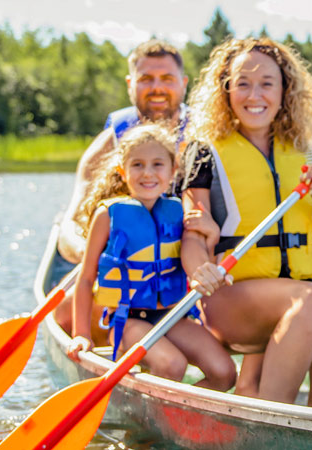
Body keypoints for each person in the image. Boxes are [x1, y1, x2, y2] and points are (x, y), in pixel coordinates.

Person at [178, 37, 312, 406]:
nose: (254, 94)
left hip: (294, 295)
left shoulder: (308, 154)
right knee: (309, 297)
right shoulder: (206, 152)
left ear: (284, 90)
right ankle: (275, 419)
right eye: (242, 83)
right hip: (229, 298)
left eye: (266, 83)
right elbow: (194, 231)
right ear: (226, 89)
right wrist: (201, 270)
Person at [66, 123, 235, 391]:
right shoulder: (107, 215)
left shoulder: (178, 212)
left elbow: (200, 266)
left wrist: (212, 237)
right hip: (128, 319)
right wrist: (81, 335)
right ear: (122, 172)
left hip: (172, 315)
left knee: (224, 373)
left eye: (157, 164)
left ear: (173, 171)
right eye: (137, 165)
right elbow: (86, 279)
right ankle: (155, 425)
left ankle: (181, 419)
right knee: (172, 365)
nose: (147, 173)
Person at [54, 39, 192, 340]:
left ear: (183, 84)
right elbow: (70, 227)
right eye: (146, 79)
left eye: (167, 79)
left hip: (181, 278)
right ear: (131, 85)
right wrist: (95, 254)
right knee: (64, 312)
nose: (157, 87)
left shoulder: (204, 138)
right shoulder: (108, 143)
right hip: (125, 280)